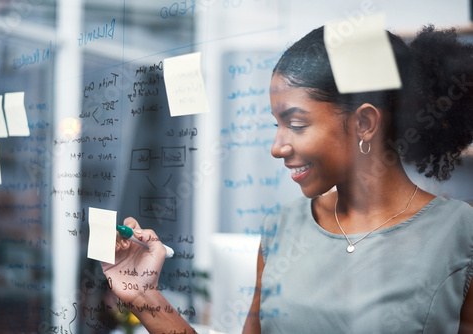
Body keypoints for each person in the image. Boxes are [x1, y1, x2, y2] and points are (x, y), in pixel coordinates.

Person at [101, 24, 473, 333]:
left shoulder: (461, 235)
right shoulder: (282, 227)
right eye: (276, 125)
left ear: (364, 123)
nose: (277, 146)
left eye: (295, 124)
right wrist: (142, 294)